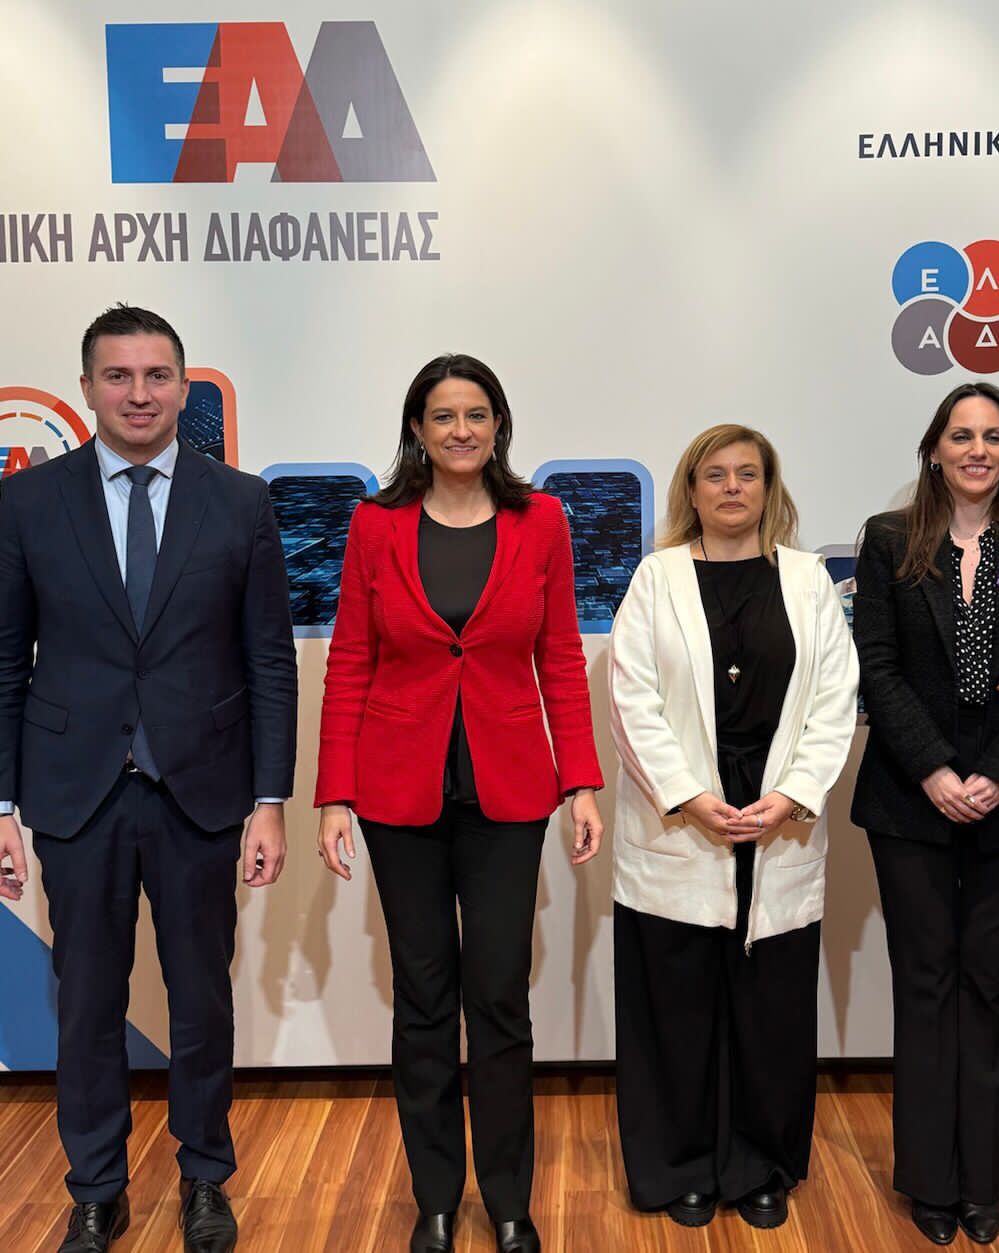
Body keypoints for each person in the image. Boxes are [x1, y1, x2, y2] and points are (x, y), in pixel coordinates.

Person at [0, 305, 297, 1253]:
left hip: (204, 790)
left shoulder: (240, 502)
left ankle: (204, 1179)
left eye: (157, 376)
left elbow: (269, 662)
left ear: (184, 388)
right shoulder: (32, 501)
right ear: (87, 388)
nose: (139, 393)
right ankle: (96, 1189)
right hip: (77, 794)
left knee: (202, 1001)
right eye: (119, 375)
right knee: (87, 1005)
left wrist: (270, 798)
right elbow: (0, 662)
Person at [314, 354, 604, 1253]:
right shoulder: (375, 524)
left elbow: (560, 655)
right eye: (443, 416)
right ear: (417, 429)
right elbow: (349, 659)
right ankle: (435, 1199)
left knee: (500, 996)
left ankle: (509, 1200)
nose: (461, 430)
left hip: (509, 792)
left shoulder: (540, 520)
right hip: (396, 791)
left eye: (477, 414)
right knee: (424, 998)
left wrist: (580, 779)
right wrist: (334, 793)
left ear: (499, 424)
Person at [606, 424, 858, 1231]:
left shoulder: (808, 580)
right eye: (714, 475)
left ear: (768, 487)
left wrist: (793, 794)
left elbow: (834, 699)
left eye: (748, 474)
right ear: (692, 489)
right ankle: (680, 1165)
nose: (732, 488)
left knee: (769, 1004)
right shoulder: (657, 578)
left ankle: (760, 1164)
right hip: (684, 819)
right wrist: (686, 795)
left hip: (776, 814)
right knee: (675, 1001)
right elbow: (631, 697)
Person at [850, 381, 999, 1246]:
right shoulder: (890, 540)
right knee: (925, 985)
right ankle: (929, 1181)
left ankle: (982, 1180)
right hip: (910, 800)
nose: (977, 450)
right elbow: (876, 664)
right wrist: (936, 770)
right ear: (935, 449)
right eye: (961, 435)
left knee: (988, 986)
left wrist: (998, 776)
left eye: (992, 435)